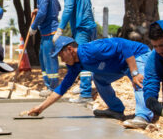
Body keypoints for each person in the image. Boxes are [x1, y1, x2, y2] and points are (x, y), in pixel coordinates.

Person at [20, 36, 152, 123]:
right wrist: (40, 108)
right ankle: (116, 110)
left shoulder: (91, 50)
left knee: (139, 80)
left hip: (137, 56)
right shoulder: (75, 65)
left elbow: (123, 45)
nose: (62, 60)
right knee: (98, 78)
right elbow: (62, 88)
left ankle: (143, 116)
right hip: (120, 66)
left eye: (61, 55)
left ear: (70, 49)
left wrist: (134, 72)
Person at [54, 0, 98, 105]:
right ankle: (85, 88)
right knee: (89, 59)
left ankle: (85, 94)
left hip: (81, 28)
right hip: (91, 27)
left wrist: (60, 29)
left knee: (82, 59)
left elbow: (68, 9)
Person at [26, 0, 61, 96]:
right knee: (43, 58)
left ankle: (52, 88)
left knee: (49, 60)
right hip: (50, 32)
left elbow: (42, 14)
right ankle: (49, 85)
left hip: (49, 33)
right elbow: (58, 8)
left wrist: (33, 27)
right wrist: (39, 9)